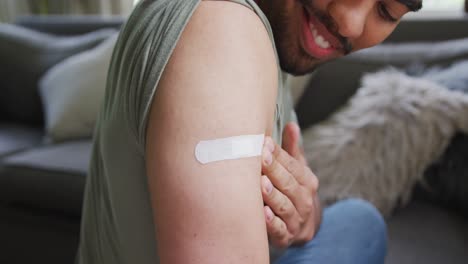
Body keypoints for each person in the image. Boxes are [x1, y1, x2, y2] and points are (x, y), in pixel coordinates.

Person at [76, 0, 423, 263]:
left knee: (359, 221)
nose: (351, 23)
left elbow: (297, 201)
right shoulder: (225, 33)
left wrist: (303, 216)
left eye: (387, 11)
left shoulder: (273, 34)